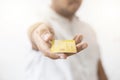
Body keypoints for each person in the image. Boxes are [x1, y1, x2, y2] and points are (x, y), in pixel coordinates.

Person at [26, 0, 108, 80]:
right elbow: (35, 33)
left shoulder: (88, 29)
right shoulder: (37, 20)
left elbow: (99, 69)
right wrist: (42, 35)